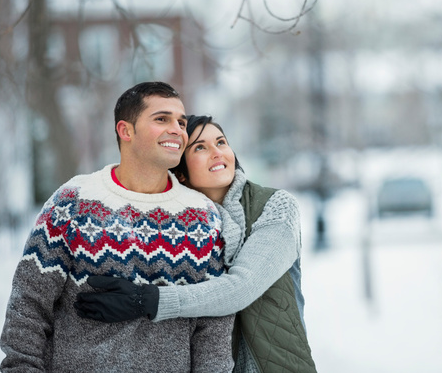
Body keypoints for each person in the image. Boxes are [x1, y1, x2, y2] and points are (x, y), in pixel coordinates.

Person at [0, 82, 234, 372]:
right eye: (162, 119)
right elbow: (29, 306)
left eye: (181, 122)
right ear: (126, 131)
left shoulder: (202, 215)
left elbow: (214, 328)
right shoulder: (75, 201)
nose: (178, 129)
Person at [75, 115, 317, 373]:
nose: (216, 152)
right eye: (200, 147)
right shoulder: (177, 228)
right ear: (180, 171)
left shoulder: (277, 206)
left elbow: (242, 287)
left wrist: (150, 300)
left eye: (221, 142)